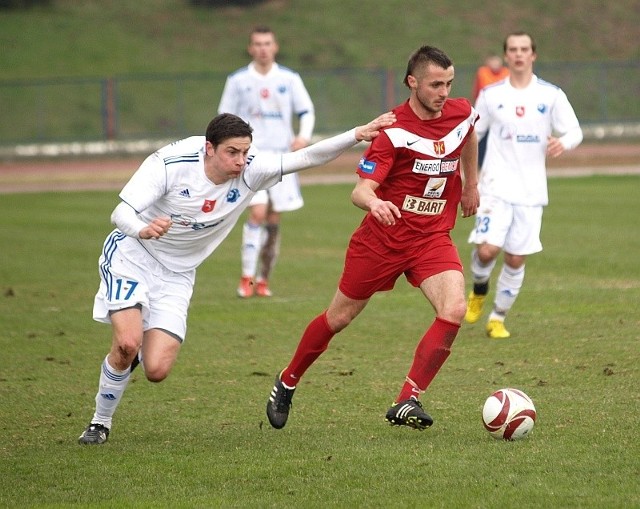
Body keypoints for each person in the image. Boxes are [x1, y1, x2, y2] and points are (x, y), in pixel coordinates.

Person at [77, 111, 395, 445]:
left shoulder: (252, 168)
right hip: (132, 257)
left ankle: (131, 355)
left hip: (178, 274)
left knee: (156, 370)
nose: (241, 161)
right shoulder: (170, 163)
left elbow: (305, 157)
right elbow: (120, 213)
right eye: (233, 152)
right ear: (209, 148)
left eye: (245, 152)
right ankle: (100, 422)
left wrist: (355, 133)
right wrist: (142, 228)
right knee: (127, 343)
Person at [266, 45, 479, 431]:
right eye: (435, 84)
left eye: (449, 83)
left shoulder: (461, 112)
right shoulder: (391, 131)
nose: (444, 92)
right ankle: (289, 378)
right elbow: (361, 190)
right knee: (339, 317)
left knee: (454, 309)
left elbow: (469, 135)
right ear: (412, 83)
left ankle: (407, 399)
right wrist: (375, 204)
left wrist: (471, 186)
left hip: (431, 237)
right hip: (383, 240)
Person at [465, 31, 583, 339]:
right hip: (494, 185)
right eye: (513, 49)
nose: (519, 54)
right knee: (488, 251)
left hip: (531, 190)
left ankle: (497, 318)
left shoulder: (550, 95)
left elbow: (574, 130)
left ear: (533, 55)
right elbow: (473, 132)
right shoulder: (491, 95)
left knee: (516, 257)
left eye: (524, 49)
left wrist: (563, 143)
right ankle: (478, 290)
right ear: (506, 56)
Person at [218, 25, 315, 298]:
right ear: (250, 48)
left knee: (273, 219)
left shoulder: (289, 78)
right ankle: (246, 278)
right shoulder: (238, 80)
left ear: (275, 47)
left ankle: (263, 280)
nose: (263, 48)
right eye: (257, 44)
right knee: (257, 213)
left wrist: (303, 137)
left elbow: (306, 110)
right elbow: (223, 116)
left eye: (267, 43)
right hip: (251, 156)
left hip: (282, 157)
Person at [471, 53, 509, 167]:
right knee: (481, 137)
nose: (495, 63)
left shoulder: (506, 73)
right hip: (486, 110)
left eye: (497, 61)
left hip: (502, 111)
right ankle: (481, 163)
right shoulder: (482, 72)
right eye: (492, 61)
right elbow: (477, 90)